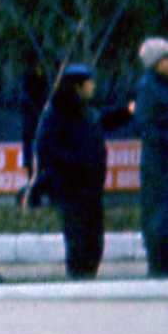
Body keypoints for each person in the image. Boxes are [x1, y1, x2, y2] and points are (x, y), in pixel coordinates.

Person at [33, 64, 133, 279]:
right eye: (89, 83)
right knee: (78, 239)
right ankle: (78, 280)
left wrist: (126, 112)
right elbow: (46, 149)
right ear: (77, 86)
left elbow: (103, 121)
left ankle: (88, 277)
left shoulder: (86, 111)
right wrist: (76, 164)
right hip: (71, 188)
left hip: (92, 187)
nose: (93, 87)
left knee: (94, 240)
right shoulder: (57, 114)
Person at [135, 37, 168, 278]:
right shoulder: (148, 88)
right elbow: (146, 127)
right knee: (158, 215)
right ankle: (158, 265)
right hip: (158, 163)